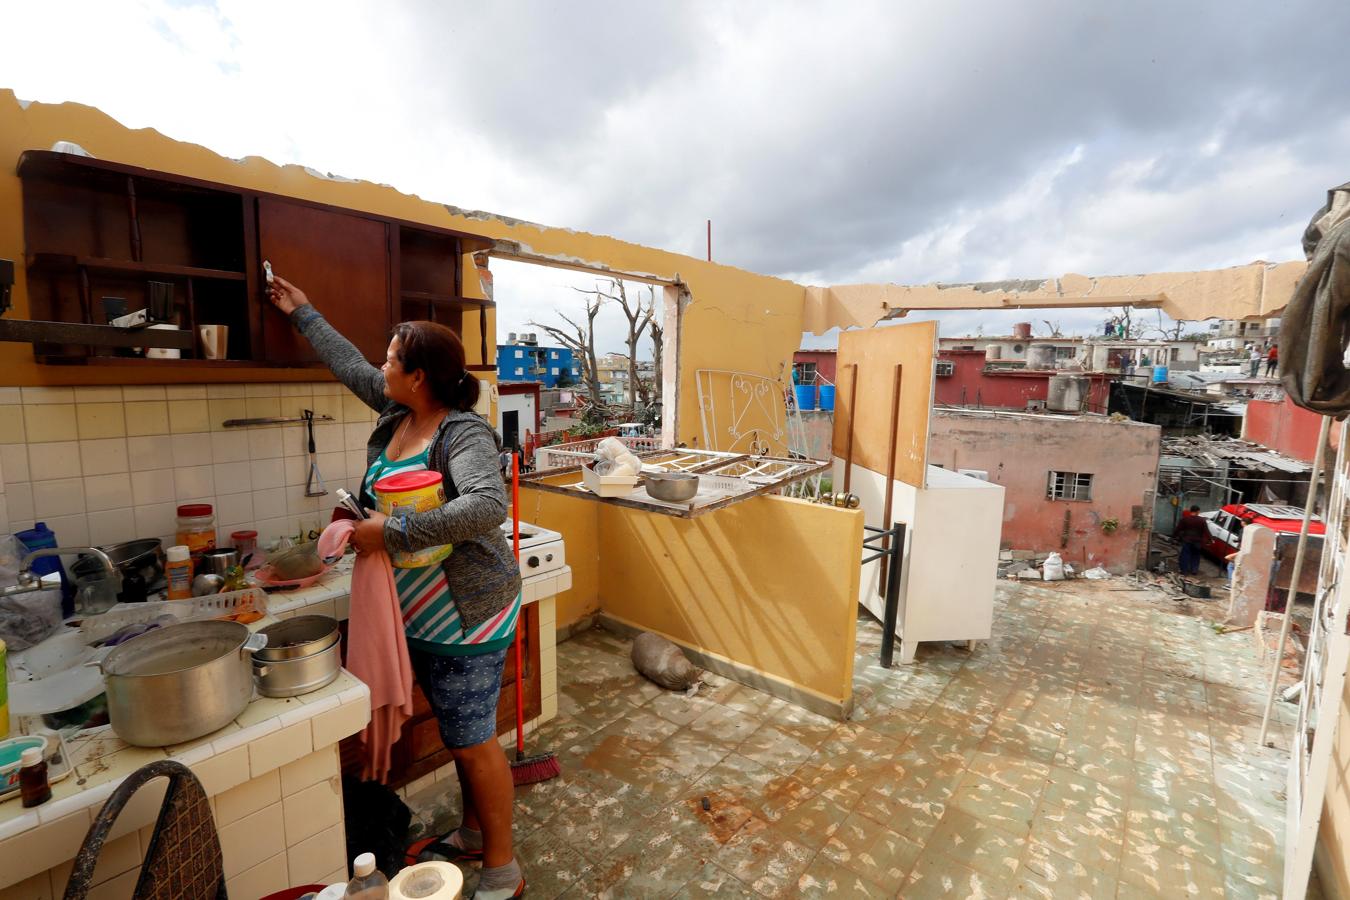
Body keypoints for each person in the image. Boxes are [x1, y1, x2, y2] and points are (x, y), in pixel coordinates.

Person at [269, 276, 525, 899]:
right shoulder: (396, 415)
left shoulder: (460, 432)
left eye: (392, 359)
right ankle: (472, 832)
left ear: (420, 376)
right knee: (466, 734)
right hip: (419, 616)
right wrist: (303, 312)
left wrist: (394, 531)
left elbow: (488, 505)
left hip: (470, 614)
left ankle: (504, 869)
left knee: (472, 741)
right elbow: (349, 364)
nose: (380, 366)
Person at [1174, 505, 1208, 576]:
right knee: (1196, 555)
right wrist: (1210, 539)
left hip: (1187, 540)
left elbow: (1178, 529)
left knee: (1185, 555)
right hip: (1197, 541)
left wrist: (1174, 536)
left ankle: (1184, 570)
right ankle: (1194, 570)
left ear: (1191, 511)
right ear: (1198, 511)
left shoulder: (1185, 519)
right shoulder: (1202, 520)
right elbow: (1206, 531)